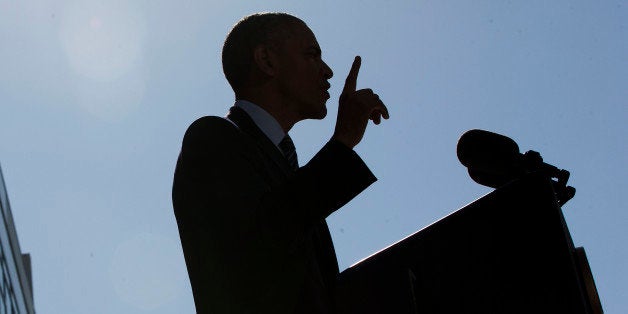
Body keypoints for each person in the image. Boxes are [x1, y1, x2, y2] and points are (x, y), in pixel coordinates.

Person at [172, 12, 389, 314]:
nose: (327, 71)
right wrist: (342, 143)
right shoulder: (211, 137)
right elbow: (260, 245)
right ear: (267, 60)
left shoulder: (287, 167)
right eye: (312, 55)